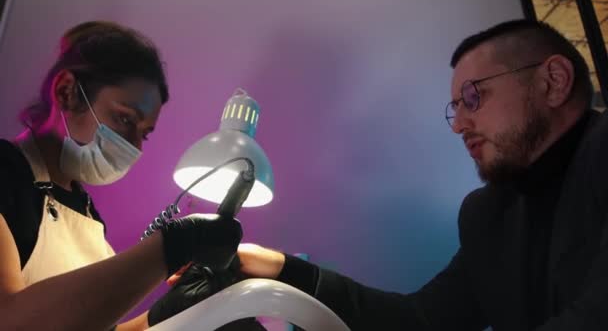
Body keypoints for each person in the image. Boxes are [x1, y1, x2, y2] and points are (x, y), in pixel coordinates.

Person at [235, 19, 608, 330]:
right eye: (456, 108)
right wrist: (283, 270)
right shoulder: (487, 214)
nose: (459, 125)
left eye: (474, 96)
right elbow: (420, 322)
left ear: (553, 81)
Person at [0, 21, 261, 330]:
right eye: (125, 118)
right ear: (67, 91)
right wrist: (172, 245)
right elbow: (11, 320)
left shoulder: (87, 216)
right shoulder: (7, 175)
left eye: (144, 134)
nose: (134, 146)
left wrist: (164, 313)